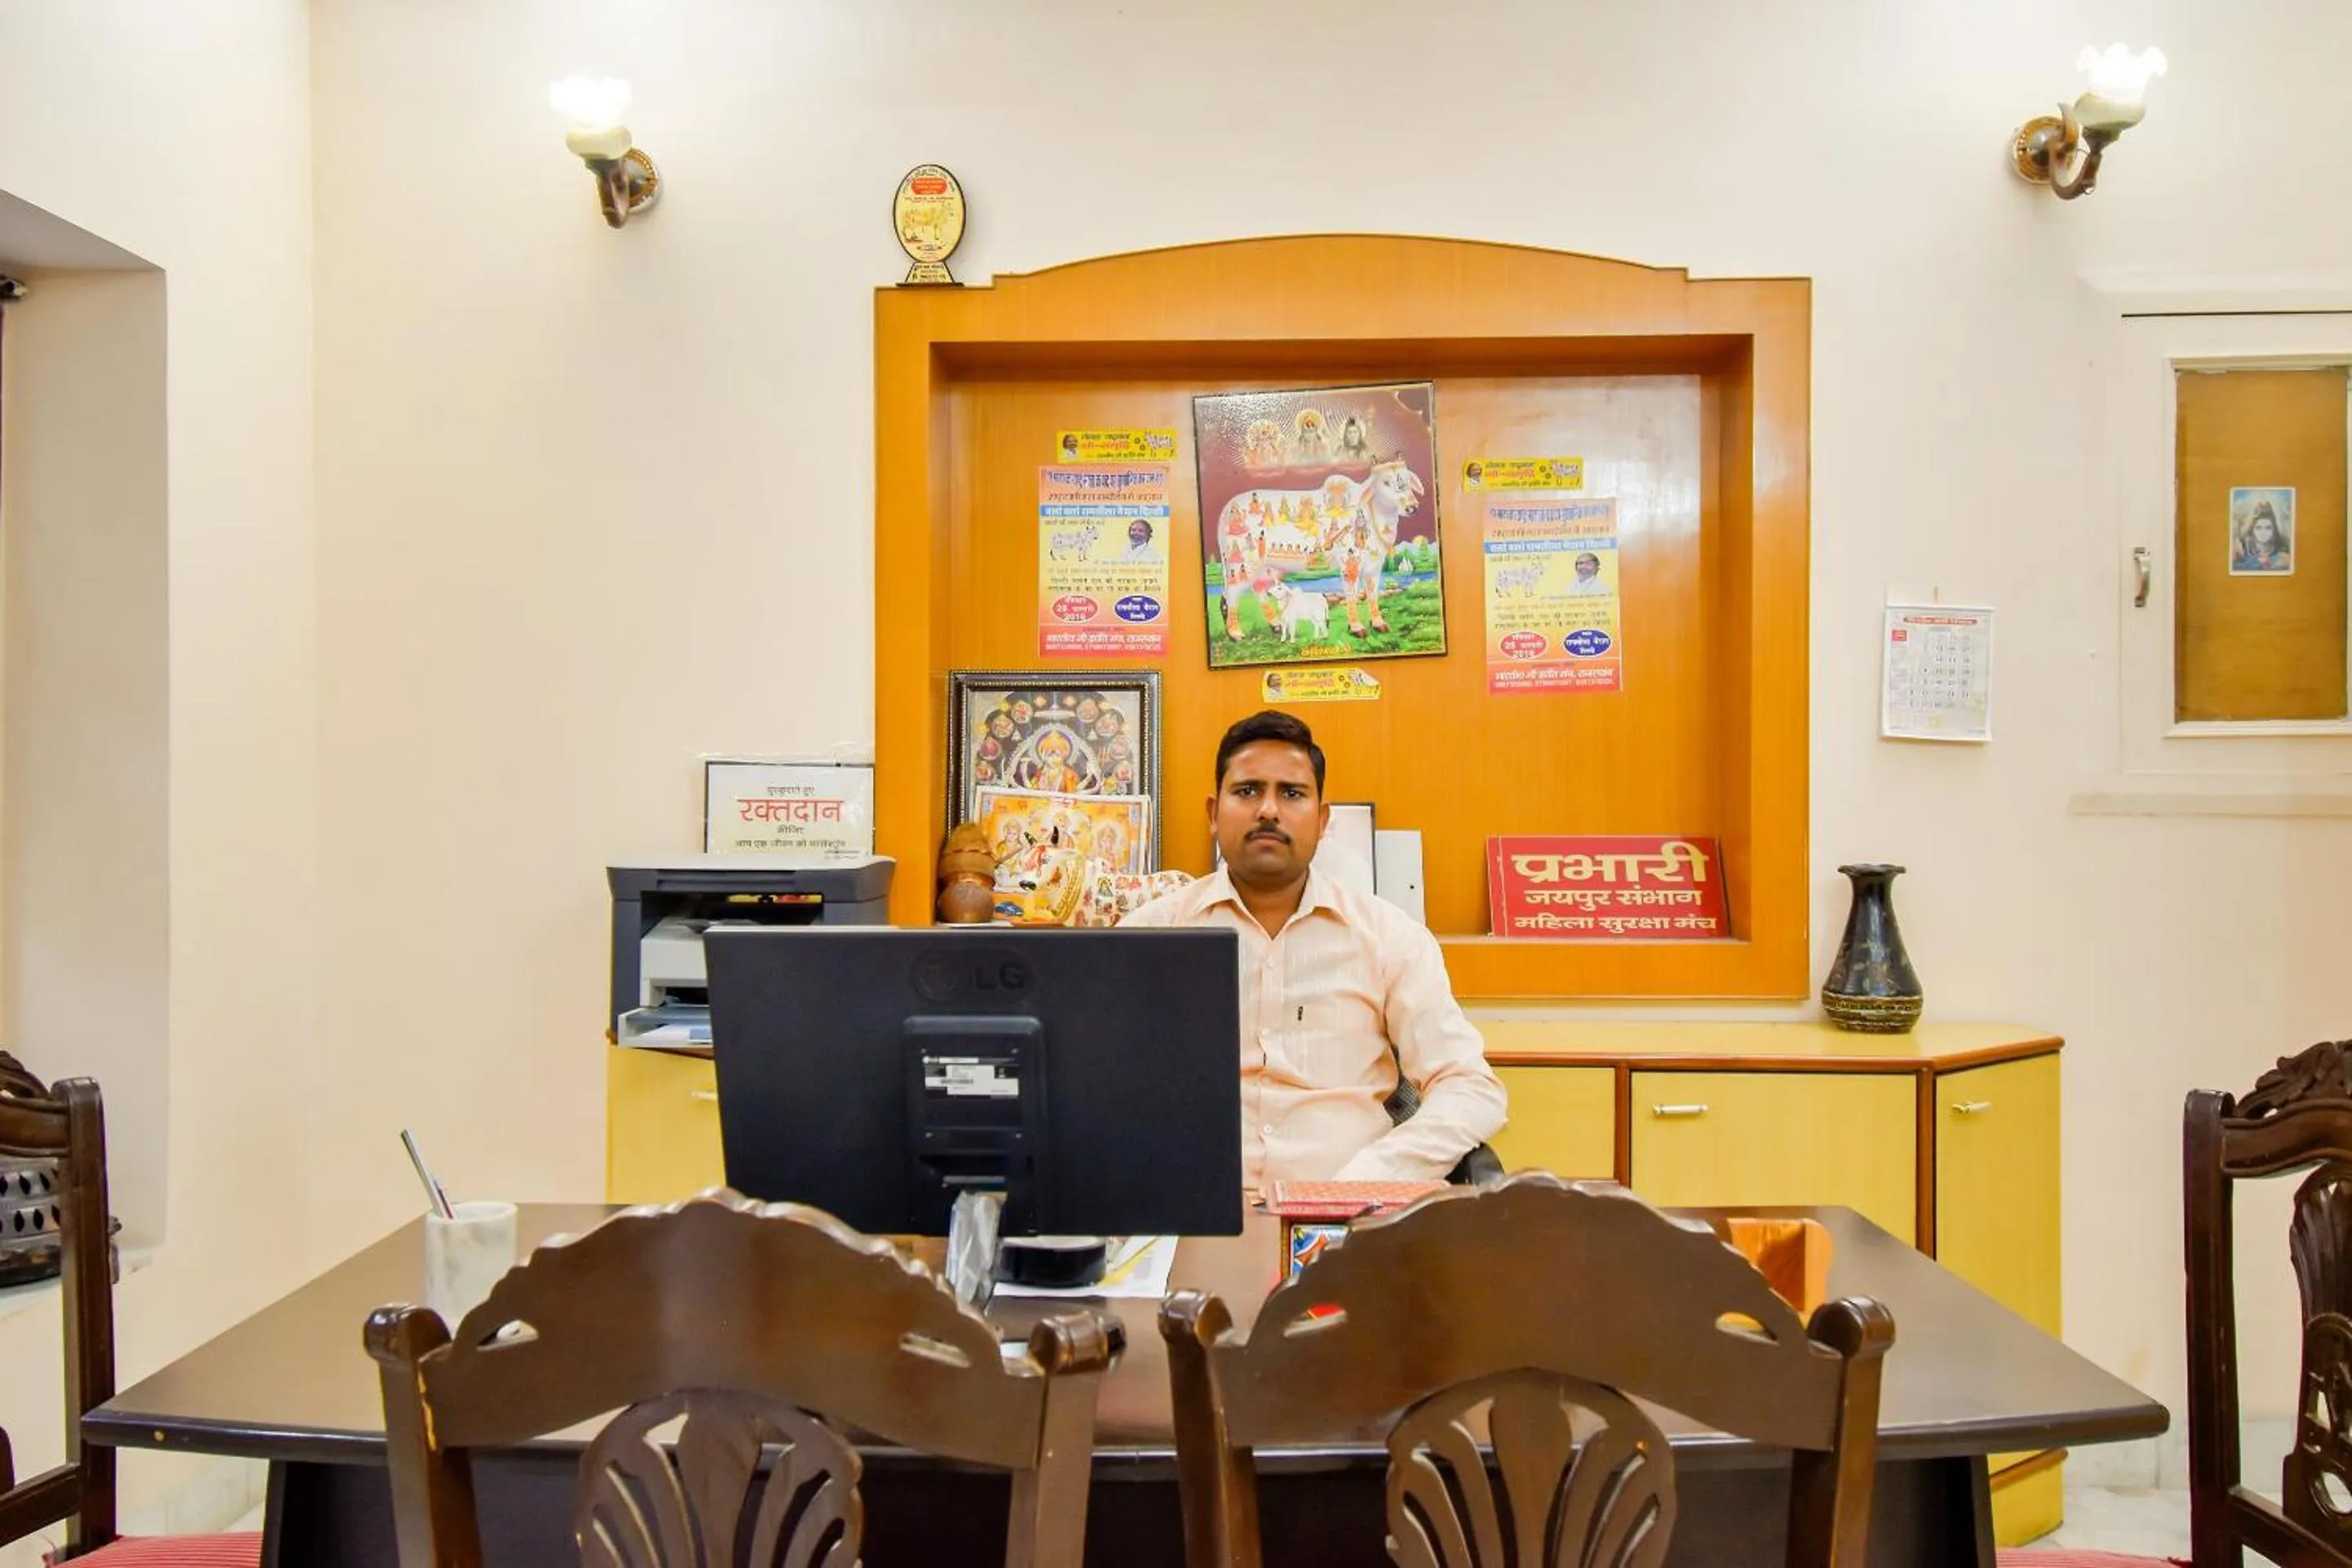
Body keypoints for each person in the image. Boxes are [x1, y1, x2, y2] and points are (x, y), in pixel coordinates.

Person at [1122, 711, 1507, 1188]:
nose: (1268, 810)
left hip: (1351, 1218)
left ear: (1323, 820)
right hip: (1186, 1212)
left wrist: (1373, 1177)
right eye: (1247, 791)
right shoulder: (1149, 935)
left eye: (1292, 793)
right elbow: (1100, 1086)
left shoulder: (1388, 938)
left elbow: (1469, 1085)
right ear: (1212, 813)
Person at [2234, 499, 2292, 572]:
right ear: (2252, 529)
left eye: (2268, 528)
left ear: (2274, 529)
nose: (2263, 533)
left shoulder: (2284, 547)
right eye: (2258, 528)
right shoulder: (2242, 548)